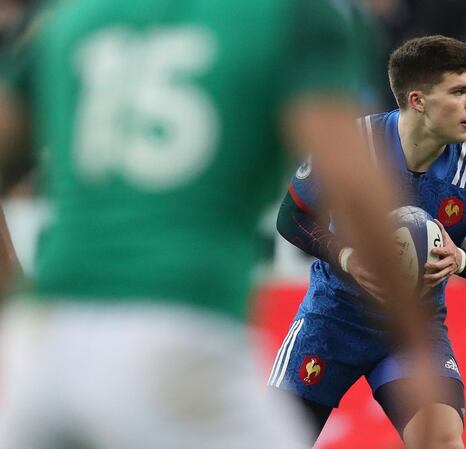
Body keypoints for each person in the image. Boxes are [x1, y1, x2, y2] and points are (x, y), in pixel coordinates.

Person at [0, 0, 432, 448]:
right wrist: (413, 340)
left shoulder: (73, 14)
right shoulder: (292, 15)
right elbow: (351, 184)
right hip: (177, 334)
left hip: (42, 349)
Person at [271, 35, 466, 449]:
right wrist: (347, 257)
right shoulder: (350, 146)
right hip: (332, 321)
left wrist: (461, 260)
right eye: (458, 91)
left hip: (413, 328)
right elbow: (290, 217)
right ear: (419, 100)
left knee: (442, 441)